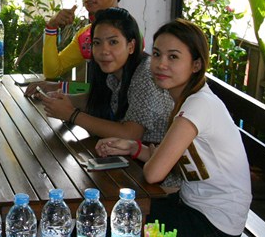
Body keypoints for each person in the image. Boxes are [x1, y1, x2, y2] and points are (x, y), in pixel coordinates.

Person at [95, 19, 251, 237]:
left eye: (173, 57)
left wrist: (144, 153)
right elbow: (173, 157)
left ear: (196, 64)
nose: (161, 64)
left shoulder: (198, 105)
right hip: (191, 206)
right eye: (157, 54)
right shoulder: (188, 99)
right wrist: (133, 147)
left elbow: (154, 173)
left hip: (212, 226)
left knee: (103, 231)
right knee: (108, 215)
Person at [34, 8, 173, 144]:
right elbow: (99, 99)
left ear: (131, 46)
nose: (104, 51)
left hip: (154, 156)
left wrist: (71, 114)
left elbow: (131, 134)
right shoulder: (114, 70)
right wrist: (61, 98)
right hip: (124, 154)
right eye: (97, 43)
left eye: (113, 42)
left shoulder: (146, 75)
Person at [42, 0, 125, 80]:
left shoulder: (127, 30)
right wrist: (51, 26)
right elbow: (52, 71)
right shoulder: (86, 35)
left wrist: (62, 87)